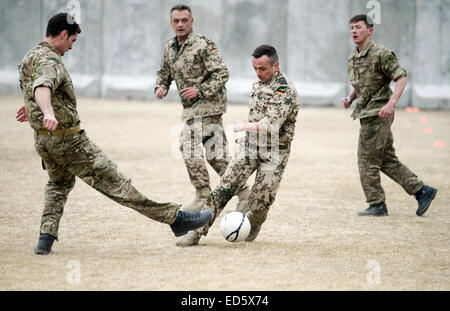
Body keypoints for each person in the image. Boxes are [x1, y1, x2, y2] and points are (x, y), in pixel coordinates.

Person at [16, 12, 211, 255]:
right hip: (69, 141)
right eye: (72, 41)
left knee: (58, 184)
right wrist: (47, 111)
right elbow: (42, 84)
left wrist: (32, 107)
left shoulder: (30, 56)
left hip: (43, 141)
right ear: (64, 34)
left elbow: (31, 85)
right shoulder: (51, 61)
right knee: (119, 186)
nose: (70, 47)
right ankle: (177, 220)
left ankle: (45, 238)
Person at [176, 44, 300, 246]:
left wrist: (245, 125)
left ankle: (253, 223)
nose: (258, 73)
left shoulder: (285, 89)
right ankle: (196, 232)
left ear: (275, 65)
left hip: (275, 152)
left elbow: (272, 124)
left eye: (263, 69)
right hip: (250, 147)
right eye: (255, 68)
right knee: (223, 188)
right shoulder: (258, 85)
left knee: (260, 202)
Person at [154, 4, 249, 217]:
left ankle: (202, 193)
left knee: (186, 143)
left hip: (209, 105)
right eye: (176, 21)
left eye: (184, 20)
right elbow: (164, 72)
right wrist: (161, 87)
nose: (180, 24)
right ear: (171, 22)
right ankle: (245, 193)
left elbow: (222, 73)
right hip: (190, 109)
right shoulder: (170, 47)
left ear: (191, 22)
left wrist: (199, 90)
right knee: (217, 156)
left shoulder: (203, 45)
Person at [342, 14, 437, 216]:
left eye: (358, 27)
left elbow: (401, 77)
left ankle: (377, 204)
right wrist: (351, 97)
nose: (354, 31)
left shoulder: (381, 53)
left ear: (370, 30)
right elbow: (362, 85)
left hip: (379, 113)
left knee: (366, 161)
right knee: (386, 160)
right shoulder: (354, 56)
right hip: (366, 113)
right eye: (351, 28)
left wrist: (392, 103)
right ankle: (422, 191)